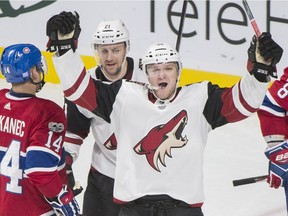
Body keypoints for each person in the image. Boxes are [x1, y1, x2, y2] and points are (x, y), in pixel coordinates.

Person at [46, 12, 283, 216]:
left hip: (183, 208)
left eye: (168, 68)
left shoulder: (199, 98)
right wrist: (65, 51)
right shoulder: (123, 95)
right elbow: (79, 91)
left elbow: (242, 104)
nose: (161, 76)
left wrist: (259, 72)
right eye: (155, 70)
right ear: (144, 75)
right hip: (132, 204)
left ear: (179, 72)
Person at [46, 11, 146, 216]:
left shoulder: (147, 76)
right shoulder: (86, 84)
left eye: (116, 50)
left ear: (127, 48)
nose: (109, 57)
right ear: (96, 51)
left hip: (144, 179)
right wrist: (65, 165)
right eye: (104, 50)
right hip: (103, 178)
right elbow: (74, 131)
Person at [0, 43, 80, 216]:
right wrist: (64, 200)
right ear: (34, 72)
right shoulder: (48, 113)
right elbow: (39, 170)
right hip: (36, 210)